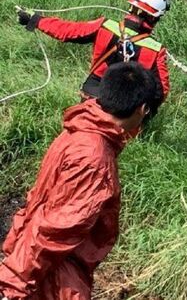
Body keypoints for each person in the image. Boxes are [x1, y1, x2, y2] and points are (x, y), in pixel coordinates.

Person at [0, 62, 157, 300]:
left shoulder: (80, 128)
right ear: (143, 109)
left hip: (34, 256)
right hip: (55, 276)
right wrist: (14, 285)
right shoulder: (95, 158)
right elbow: (57, 230)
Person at [17, 0, 170, 107]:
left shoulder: (104, 26)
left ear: (131, 7)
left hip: (91, 94)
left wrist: (36, 20)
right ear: (153, 18)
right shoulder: (155, 49)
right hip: (122, 107)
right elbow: (161, 91)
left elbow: (67, 31)